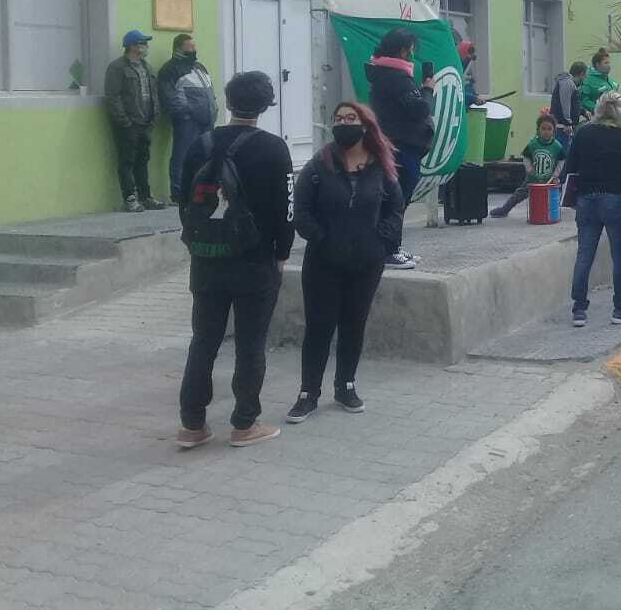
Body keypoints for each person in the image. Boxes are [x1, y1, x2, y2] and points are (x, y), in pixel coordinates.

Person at [176, 71, 294, 450]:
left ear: (227, 103)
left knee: (203, 341)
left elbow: (182, 198)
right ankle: (245, 424)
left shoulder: (201, 143)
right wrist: (281, 254)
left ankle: (192, 425)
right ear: (265, 105)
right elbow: (285, 210)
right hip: (255, 260)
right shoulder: (274, 148)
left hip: (207, 258)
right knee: (250, 342)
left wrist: (199, 243)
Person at [285, 102, 405, 424]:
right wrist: (322, 238)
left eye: (350, 119)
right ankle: (308, 392)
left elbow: (396, 208)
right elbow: (301, 208)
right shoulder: (319, 164)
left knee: (354, 324)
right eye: (338, 119)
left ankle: (346, 385)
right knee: (319, 327)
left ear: (365, 125)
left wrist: (379, 240)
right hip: (324, 262)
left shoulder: (381, 166)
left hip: (366, 263)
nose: (343, 124)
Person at [565, 92, 621, 327]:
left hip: (586, 201)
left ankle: (579, 310)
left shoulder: (583, 133)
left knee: (584, 255)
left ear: (598, 109)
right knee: (619, 258)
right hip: (615, 200)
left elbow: (570, 167)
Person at [364, 28, 433, 270]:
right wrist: (428, 90)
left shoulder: (388, 74)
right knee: (396, 199)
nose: (413, 54)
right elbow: (419, 109)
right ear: (403, 50)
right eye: (411, 50)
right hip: (401, 146)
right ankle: (388, 251)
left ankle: (393, 247)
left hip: (401, 145)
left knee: (397, 199)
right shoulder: (395, 77)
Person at [105, 29, 164, 213]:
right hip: (129, 124)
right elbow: (113, 96)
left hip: (146, 122)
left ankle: (146, 197)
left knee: (142, 160)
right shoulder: (117, 67)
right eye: (143, 43)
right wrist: (124, 121)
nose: (146, 47)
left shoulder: (147, 67)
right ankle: (130, 198)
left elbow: (152, 94)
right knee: (127, 161)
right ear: (132, 46)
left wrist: (154, 116)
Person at [158, 33, 218, 205]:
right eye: (190, 46)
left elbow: (210, 92)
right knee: (182, 156)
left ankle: (202, 193)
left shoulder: (199, 67)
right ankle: (178, 194)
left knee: (206, 157)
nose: (194, 49)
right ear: (179, 48)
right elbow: (169, 96)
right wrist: (185, 114)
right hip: (188, 121)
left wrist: (214, 108)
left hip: (207, 120)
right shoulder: (170, 69)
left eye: (194, 46)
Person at [490, 114, 566, 218]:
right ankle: (504, 209)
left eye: (549, 129)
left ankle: (551, 214)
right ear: (538, 129)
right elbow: (526, 157)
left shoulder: (557, 146)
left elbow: (562, 160)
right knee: (519, 194)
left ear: (554, 131)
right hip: (532, 179)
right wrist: (529, 168)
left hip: (549, 180)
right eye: (543, 128)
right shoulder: (533, 144)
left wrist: (556, 173)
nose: (546, 132)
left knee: (552, 198)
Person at [550, 61, 587, 148]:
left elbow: (571, 103)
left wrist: (583, 111)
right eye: (585, 75)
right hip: (562, 127)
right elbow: (565, 104)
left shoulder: (569, 84)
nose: (585, 78)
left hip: (564, 126)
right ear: (581, 74)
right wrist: (567, 123)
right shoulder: (567, 83)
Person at [578, 48, 618, 117]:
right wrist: (600, 110)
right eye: (606, 63)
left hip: (613, 119)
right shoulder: (588, 80)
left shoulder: (611, 82)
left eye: (609, 63)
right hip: (597, 120)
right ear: (597, 64)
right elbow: (584, 101)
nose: (609, 65)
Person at [458, 40, 483, 107]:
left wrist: (475, 97)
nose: (469, 59)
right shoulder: (456, 68)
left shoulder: (468, 67)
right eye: (468, 55)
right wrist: (473, 98)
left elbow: (469, 86)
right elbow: (457, 93)